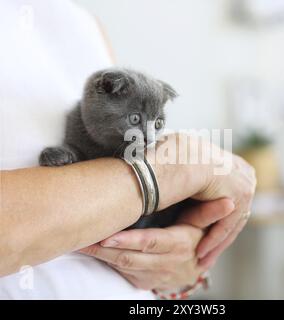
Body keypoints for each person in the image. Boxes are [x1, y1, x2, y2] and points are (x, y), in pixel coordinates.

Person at [0, 0, 256, 299]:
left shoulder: (81, 22)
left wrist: (182, 266)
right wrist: (168, 172)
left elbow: (170, 265)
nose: (147, 134)